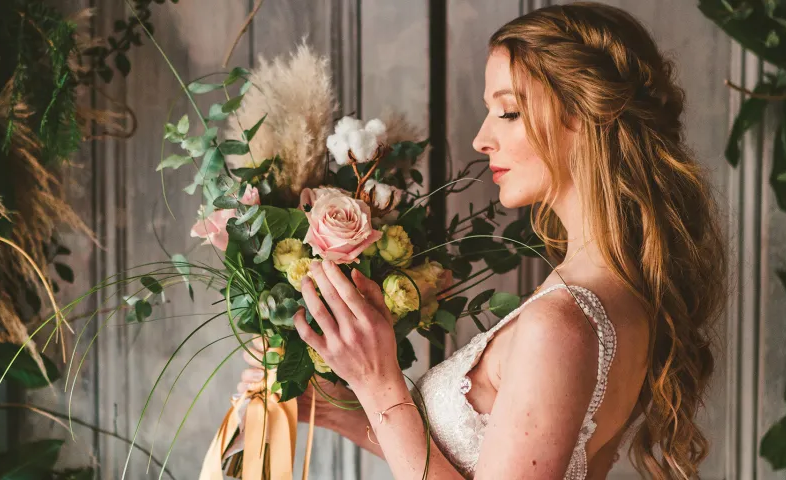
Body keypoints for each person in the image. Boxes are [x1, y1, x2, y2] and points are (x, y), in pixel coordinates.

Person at [235, 3, 727, 478]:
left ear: (587, 114)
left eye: (508, 112)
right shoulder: (611, 293)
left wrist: (379, 380)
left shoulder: (564, 321)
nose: (481, 138)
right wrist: (339, 408)